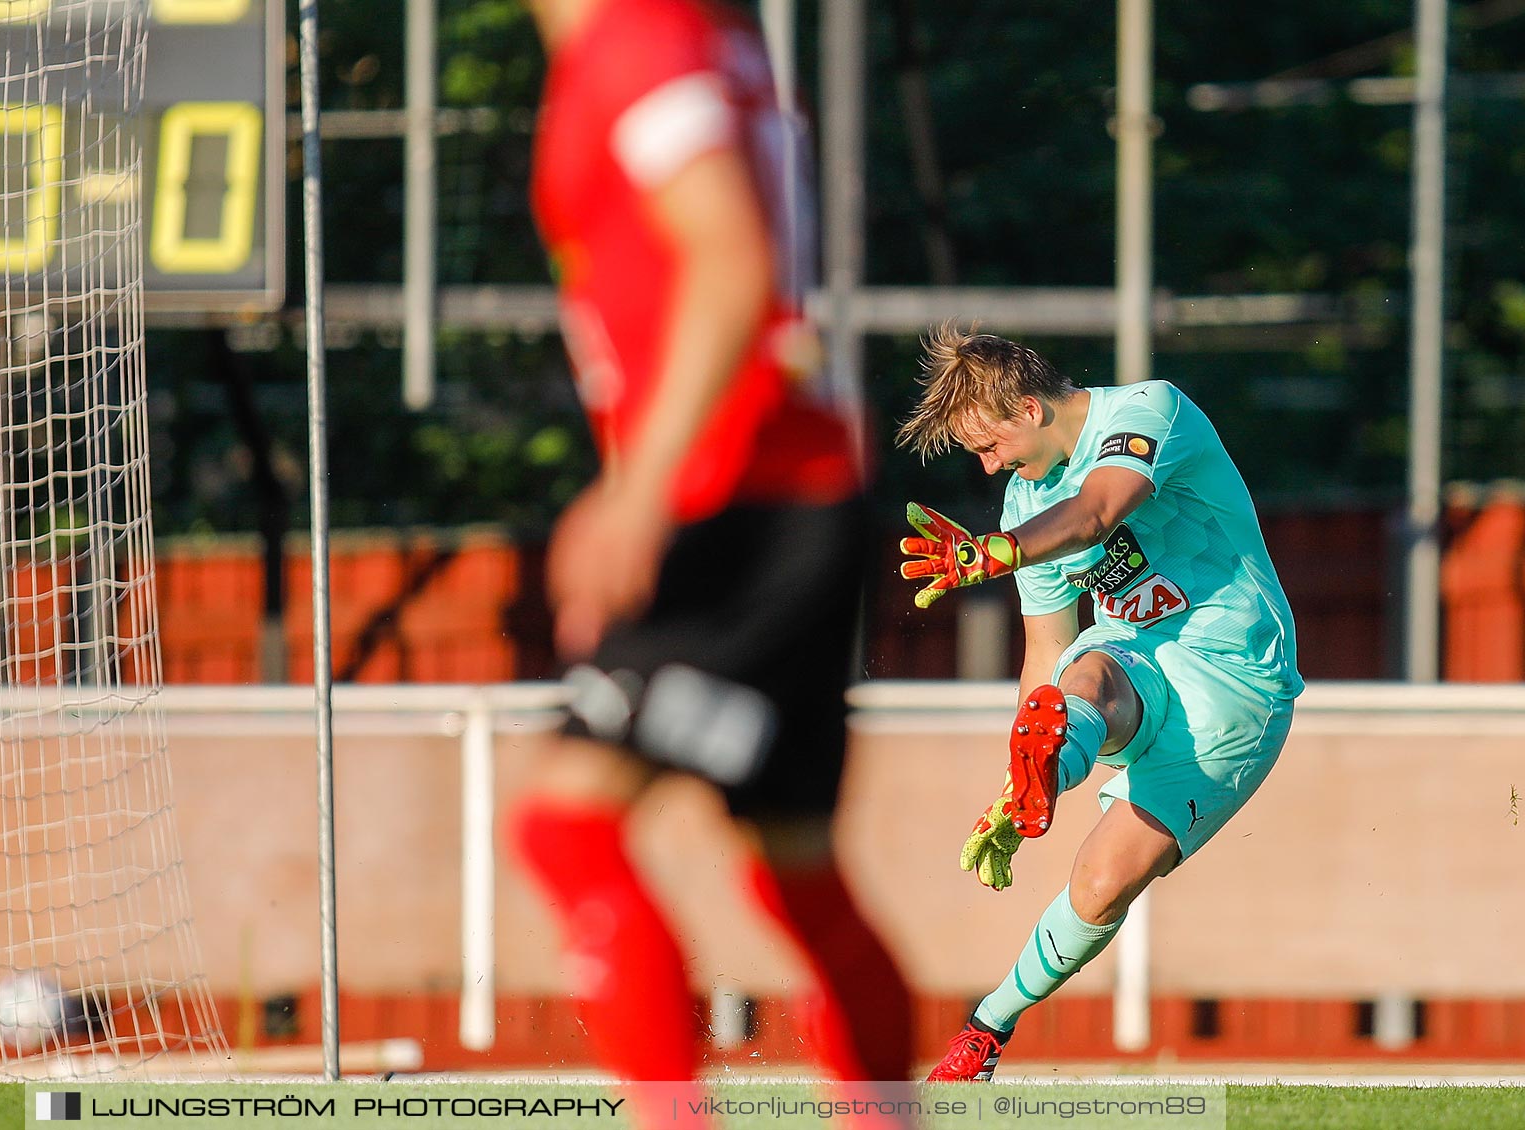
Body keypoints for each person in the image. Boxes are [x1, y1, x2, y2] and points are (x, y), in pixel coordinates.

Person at [511, 0, 916, 1118]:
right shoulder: (674, 34)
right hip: (783, 490)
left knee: (566, 828)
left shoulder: (643, 37)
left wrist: (636, 493)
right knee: (796, 874)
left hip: (741, 501)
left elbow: (732, 259)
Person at [895, 326, 1303, 1081]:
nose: (989, 468)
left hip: (1238, 687)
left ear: (1027, 408)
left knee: (1102, 883)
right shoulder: (1026, 497)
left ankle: (995, 1018)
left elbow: (1095, 514)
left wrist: (993, 551)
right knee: (1086, 677)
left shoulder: (1149, 412)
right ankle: (1048, 770)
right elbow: (1047, 653)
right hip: (1132, 662)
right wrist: (1018, 784)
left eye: (988, 446)